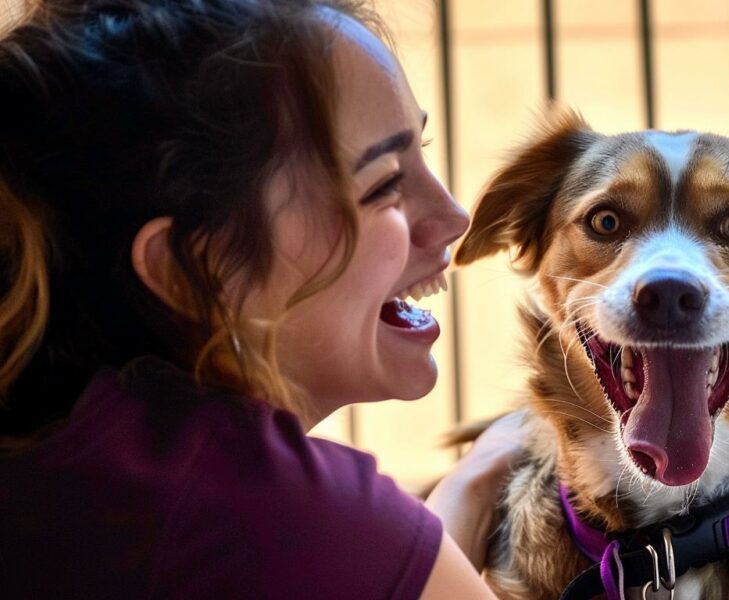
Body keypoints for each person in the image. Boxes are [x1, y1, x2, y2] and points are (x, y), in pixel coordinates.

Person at [0, 0, 522, 597]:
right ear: (187, 268)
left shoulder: (82, 467)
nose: (454, 219)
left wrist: (467, 490)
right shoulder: (264, 507)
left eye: (420, 155)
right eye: (383, 186)